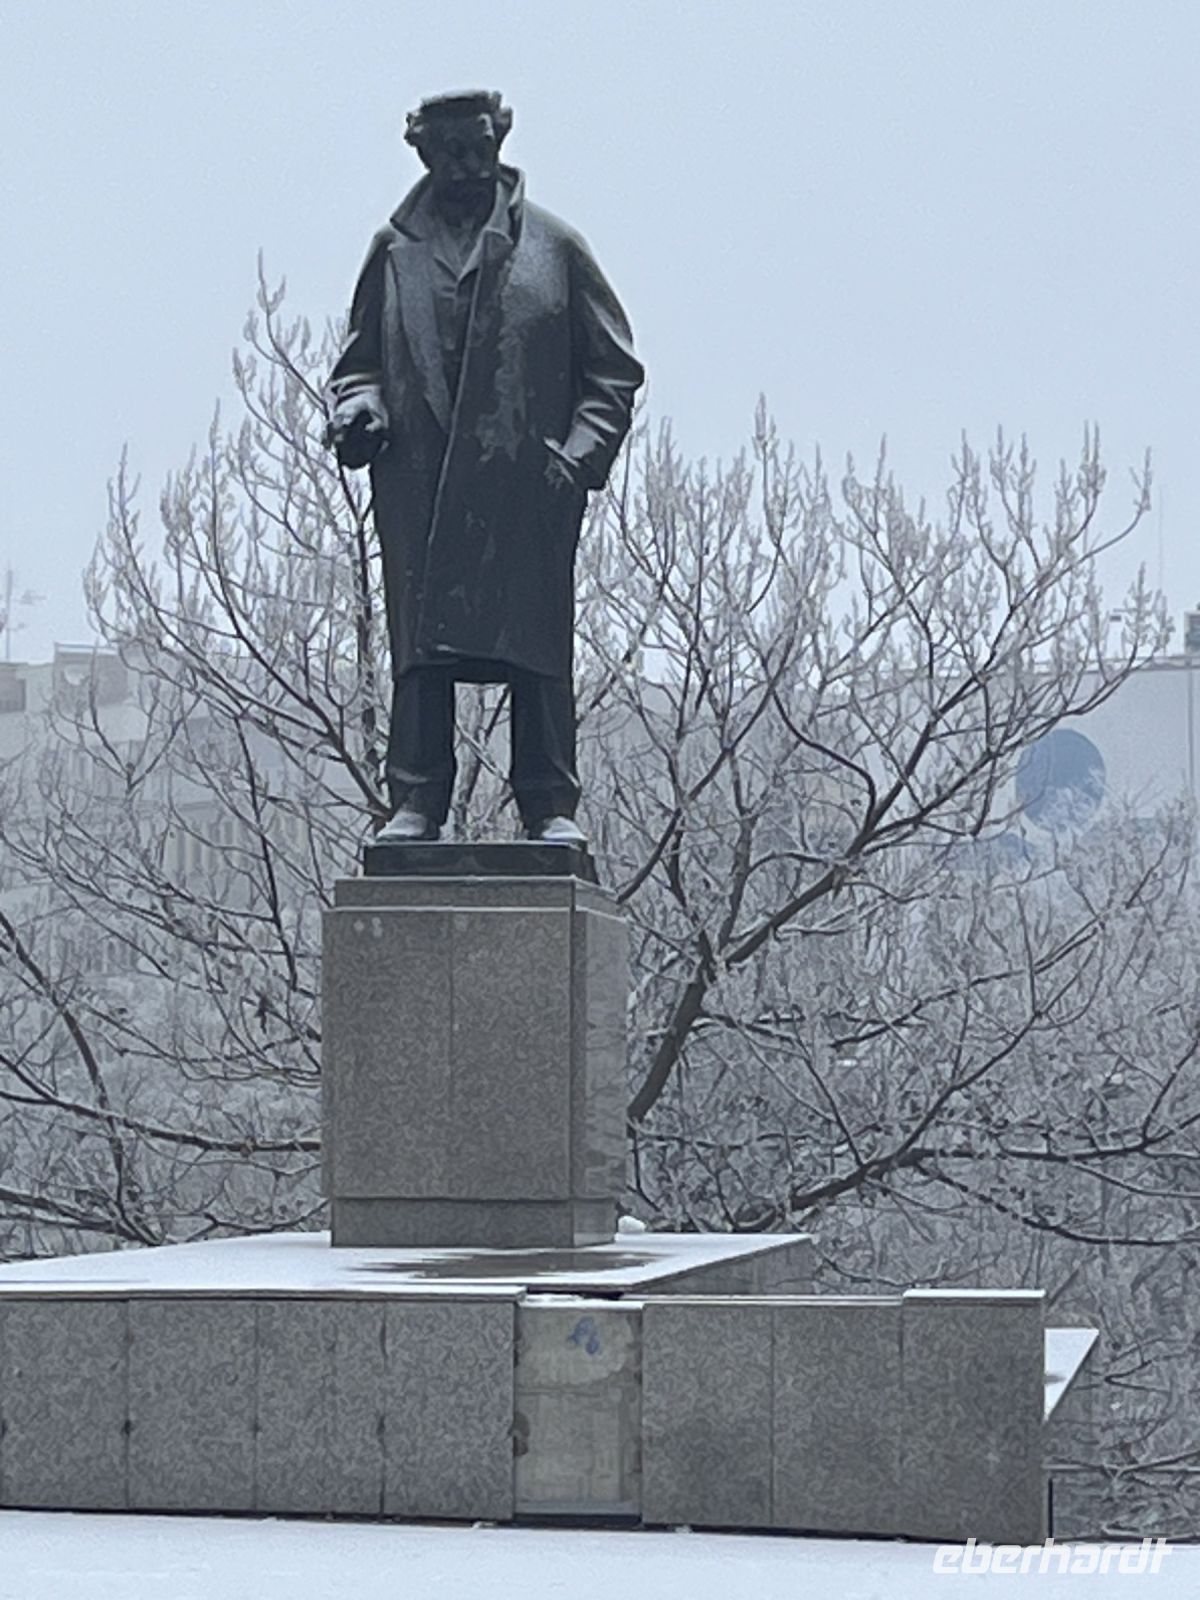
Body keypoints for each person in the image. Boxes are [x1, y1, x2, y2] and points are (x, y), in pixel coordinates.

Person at [326, 89, 644, 844]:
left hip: (525, 486)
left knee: (537, 652)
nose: (469, 166)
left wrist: (578, 459)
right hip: (421, 484)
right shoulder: (393, 252)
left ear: (498, 143)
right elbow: (359, 365)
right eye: (452, 153)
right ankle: (416, 798)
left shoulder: (554, 248)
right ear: (425, 155)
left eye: (481, 149)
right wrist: (360, 410)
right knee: (420, 653)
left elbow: (613, 370)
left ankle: (548, 802)